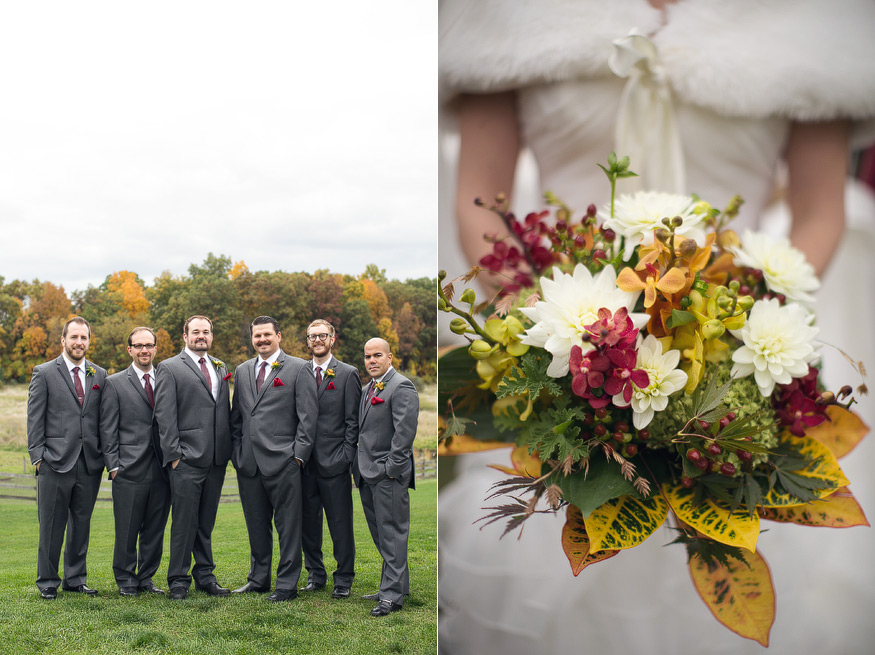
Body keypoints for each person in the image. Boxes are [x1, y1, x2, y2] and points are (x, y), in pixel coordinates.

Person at [439, 1, 875, 653]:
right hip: (563, 342)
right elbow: (479, 194)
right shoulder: (507, 14)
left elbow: (819, 211)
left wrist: (739, 327)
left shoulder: (809, 19)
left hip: (737, 346)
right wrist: (541, 325)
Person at [229, 316, 317, 602]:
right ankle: (258, 579)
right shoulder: (242, 370)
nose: (262, 340)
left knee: (288, 527)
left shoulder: (299, 368)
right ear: (252, 339)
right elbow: (237, 417)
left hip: (285, 461)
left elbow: (307, 418)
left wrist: (298, 457)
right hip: (249, 463)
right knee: (256, 525)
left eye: (267, 334)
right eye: (257, 336)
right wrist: (237, 453)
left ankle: (287, 584)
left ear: (279, 336)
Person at [27, 316, 107, 599]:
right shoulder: (44, 372)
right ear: (63, 340)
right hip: (54, 462)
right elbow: (35, 417)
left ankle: (75, 578)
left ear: (89, 341)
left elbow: (101, 419)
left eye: (84, 337)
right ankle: (48, 581)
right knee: (51, 525)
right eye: (74, 337)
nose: (79, 342)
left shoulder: (100, 374)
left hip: (89, 463)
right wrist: (38, 457)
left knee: (81, 525)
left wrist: (102, 456)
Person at [154, 315, 232, 600]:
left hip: (215, 460)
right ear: (185, 336)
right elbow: (164, 415)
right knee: (184, 523)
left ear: (211, 336)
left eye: (206, 332)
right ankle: (178, 580)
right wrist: (174, 455)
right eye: (196, 331)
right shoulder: (169, 367)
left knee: (205, 522)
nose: (202, 336)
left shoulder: (220, 366)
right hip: (186, 460)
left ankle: (206, 577)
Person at [99, 327, 170, 596]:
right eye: (138, 346)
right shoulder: (115, 383)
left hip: (162, 468)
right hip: (128, 469)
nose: (144, 350)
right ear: (129, 350)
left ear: (155, 348)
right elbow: (107, 427)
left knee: (155, 529)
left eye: (149, 345)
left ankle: (146, 578)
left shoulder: (167, 378)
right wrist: (114, 466)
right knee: (127, 528)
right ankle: (126, 578)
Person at [355, 338, 419, 617]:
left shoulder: (401, 386)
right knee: (382, 535)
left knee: (392, 534)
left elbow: (404, 434)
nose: (371, 360)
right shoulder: (369, 388)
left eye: (377, 355)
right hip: (367, 473)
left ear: (389, 357)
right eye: (367, 356)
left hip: (388, 475)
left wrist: (390, 469)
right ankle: (393, 586)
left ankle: (391, 596)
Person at [299, 319, 361, 599]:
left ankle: (344, 578)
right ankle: (315, 575)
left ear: (332, 339)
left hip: (335, 463)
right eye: (312, 336)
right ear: (307, 341)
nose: (317, 340)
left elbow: (353, 421)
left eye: (322, 335)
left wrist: (346, 456)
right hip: (304, 464)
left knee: (340, 524)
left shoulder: (347, 374)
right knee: (308, 524)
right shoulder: (299, 372)